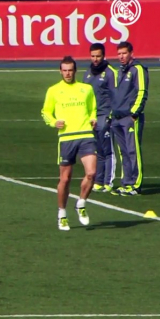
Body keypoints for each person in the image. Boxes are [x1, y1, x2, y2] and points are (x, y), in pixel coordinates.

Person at [41, 56, 97, 231]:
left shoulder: (86, 89)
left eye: (70, 70)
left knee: (92, 173)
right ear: (60, 71)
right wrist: (53, 122)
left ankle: (81, 203)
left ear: (75, 71)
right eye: (64, 70)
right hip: (67, 138)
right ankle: (62, 214)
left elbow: (92, 108)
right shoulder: (54, 91)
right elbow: (46, 112)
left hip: (86, 135)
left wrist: (94, 118)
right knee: (65, 179)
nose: (67, 73)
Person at [110, 41, 148, 196]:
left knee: (133, 151)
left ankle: (135, 184)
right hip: (118, 117)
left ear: (131, 53)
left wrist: (134, 113)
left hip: (130, 117)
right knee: (123, 152)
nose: (121, 56)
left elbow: (142, 92)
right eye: (119, 54)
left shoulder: (137, 69)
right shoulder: (120, 71)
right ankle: (126, 182)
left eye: (124, 53)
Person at [82, 43, 118, 193]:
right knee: (97, 150)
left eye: (98, 56)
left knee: (107, 150)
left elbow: (115, 95)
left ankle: (108, 181)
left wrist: (111, 115)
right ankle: (99, 180)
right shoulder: (88, 72)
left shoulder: (110, 72)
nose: (95, 59)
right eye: (93, 56)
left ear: (103, 56)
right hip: (92, 117)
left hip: (105, 115)